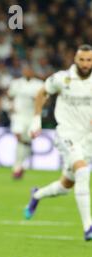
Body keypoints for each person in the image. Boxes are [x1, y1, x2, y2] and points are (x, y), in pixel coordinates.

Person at [25, 44, 92, 240]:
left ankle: (36, 195)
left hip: (87, 138)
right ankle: (88, 226)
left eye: (89, 60)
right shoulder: (63, 78)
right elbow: (42, 93)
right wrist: (36, 119)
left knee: (66, 186)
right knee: (82, 171)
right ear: (75, 59)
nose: (86, 64)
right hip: (66, 134)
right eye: (82, 60)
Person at [7, 65, 44, 179]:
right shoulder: (16, 83)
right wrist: (11, 106)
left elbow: (44, 99)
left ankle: (21, 165)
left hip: (32, 116)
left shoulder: (39, 84)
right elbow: (10, 96)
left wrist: (38, 102)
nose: (27, 72)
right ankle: (17, 167)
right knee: (19, 137)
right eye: (25, 70)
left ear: (32, 72)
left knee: (27, 142)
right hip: (19, 115)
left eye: (29, 70)